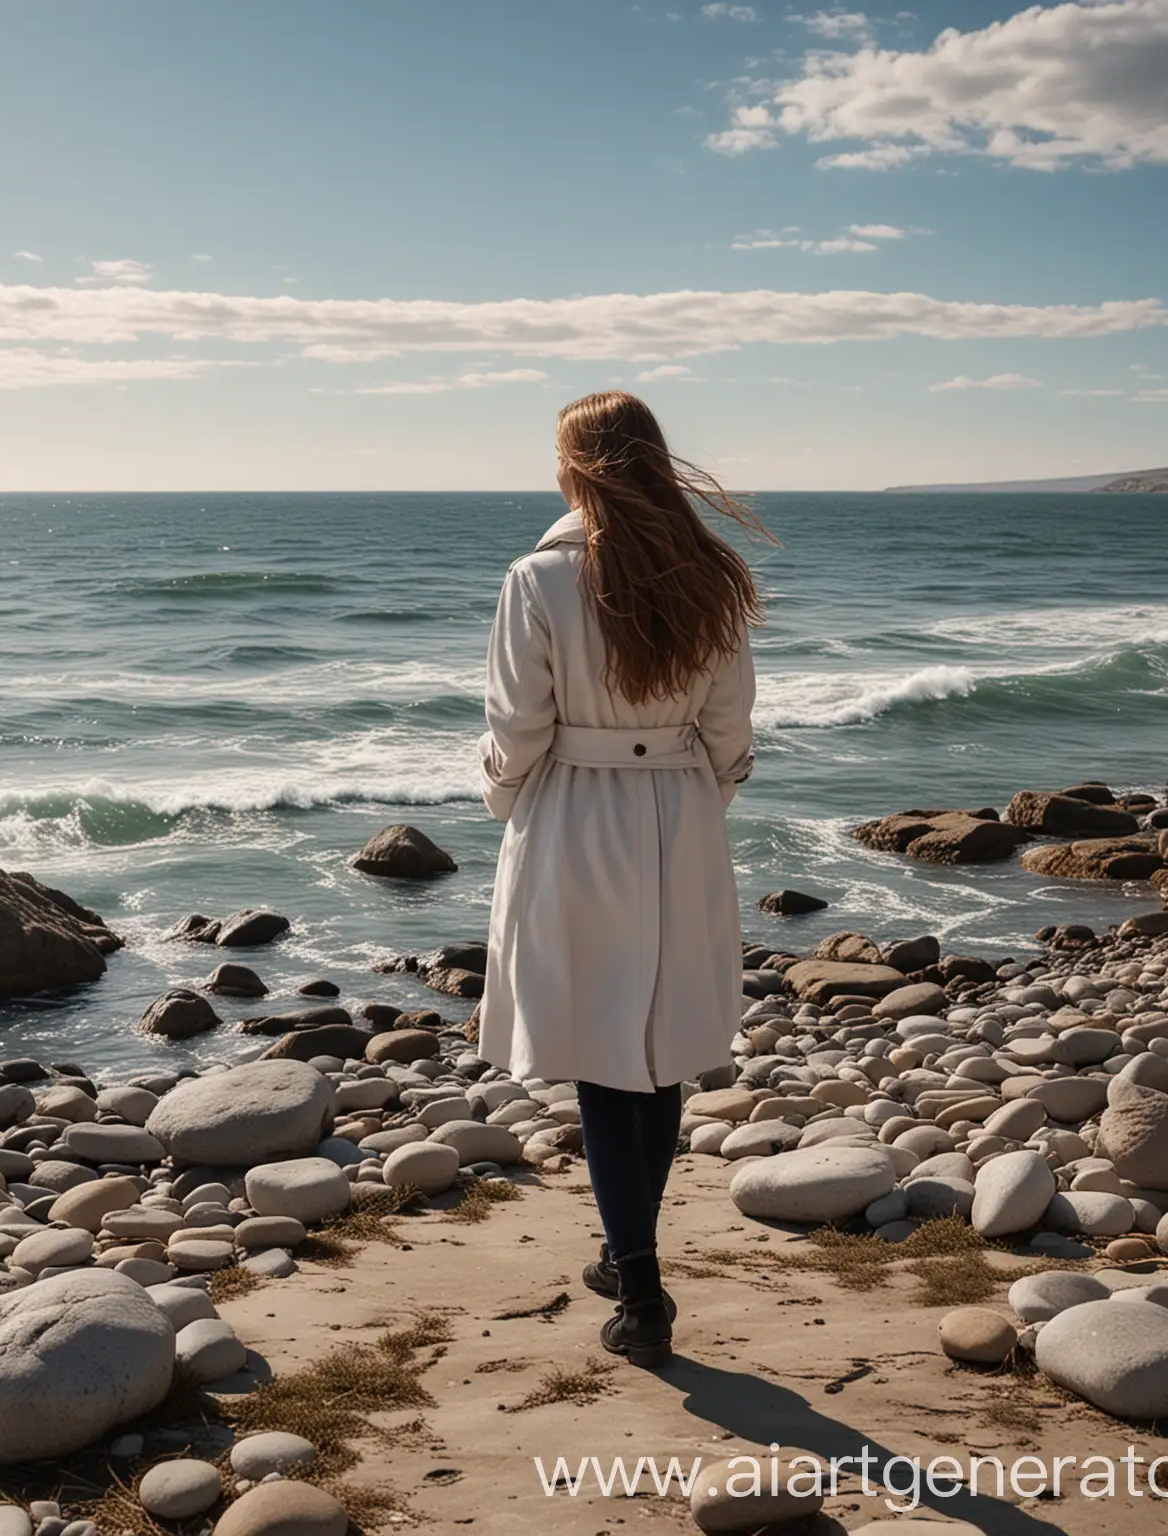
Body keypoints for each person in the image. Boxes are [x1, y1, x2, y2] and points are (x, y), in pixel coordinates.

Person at [477, 390, 764, 1368]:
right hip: (679, 809)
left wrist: (508, 804)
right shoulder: (712, 576)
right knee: (662, 1041)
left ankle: (640, 1289)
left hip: (577, 811)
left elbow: (517, 728)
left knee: (604, 1049)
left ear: (574, 469)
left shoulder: (539, 578)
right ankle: (624, 1251)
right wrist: (697, 801)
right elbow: (730, 728)